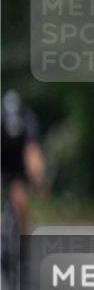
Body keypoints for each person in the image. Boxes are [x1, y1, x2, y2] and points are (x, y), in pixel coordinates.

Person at [1, 90, 46, 234]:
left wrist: (38, 180)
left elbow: (32, 152)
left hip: (19, 165)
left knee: (21, 201)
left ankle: (24, 244)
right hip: (3, 161)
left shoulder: (27, 120)